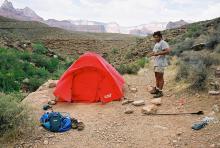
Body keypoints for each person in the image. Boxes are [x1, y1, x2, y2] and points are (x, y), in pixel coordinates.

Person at [149, 31, 171, 98]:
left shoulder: (163, 43)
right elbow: (154, 52)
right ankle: (157, 90)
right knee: (157, 77)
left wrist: (158, 53)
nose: (155, 38)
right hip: (156, 62)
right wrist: (151, 54)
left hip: (160, 63)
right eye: (154, 37)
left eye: (157, 37)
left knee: (160, 77)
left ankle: (160, 92)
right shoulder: (156, 44)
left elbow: (168, 51)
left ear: (160, 37)